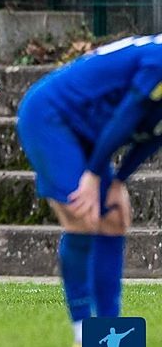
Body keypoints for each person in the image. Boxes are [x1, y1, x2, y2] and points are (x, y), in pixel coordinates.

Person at [16, 34, 162, 347]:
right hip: (50, 115)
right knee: (82, 213)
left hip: (89, 129)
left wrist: (119, 180)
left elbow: (154, 134)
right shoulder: (159, 61)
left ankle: (110, 334)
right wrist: (95, 175)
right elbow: (130, 113)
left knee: (114, 217)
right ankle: (83, 331)